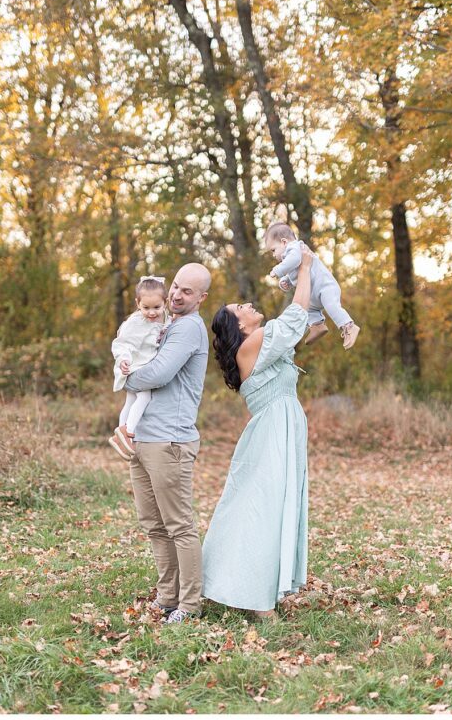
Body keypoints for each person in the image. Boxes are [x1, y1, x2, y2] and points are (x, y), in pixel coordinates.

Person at [202, 242, 315, 619]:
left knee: (271, 506)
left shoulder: (260, 344)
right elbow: (295, 318)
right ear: (239, 326)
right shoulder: (251, 345)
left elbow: (303, 333)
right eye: (242, 309)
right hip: (271, 433)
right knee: (262, 509)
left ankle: (252, 585)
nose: (249, 306)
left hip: (283, 427)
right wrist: (303, 270)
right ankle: (253, 597)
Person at [121, 263, 211, 625]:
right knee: (154, 525)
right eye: (175, 286)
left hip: (169, 441)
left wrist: (125, 379)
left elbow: (158, 373)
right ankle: (167, 595)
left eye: (187, 291)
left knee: (179, 525)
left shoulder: (189, 327)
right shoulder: (165, 322)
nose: (176, 294)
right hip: (144, 438)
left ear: (201, 298)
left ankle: (189, 604)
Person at [263, 221, 360, 349]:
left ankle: (349, 326)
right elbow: (296, 271)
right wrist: (286, 281)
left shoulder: (295, 248)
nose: (274, 255)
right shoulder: (291, 256)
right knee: (306, 309)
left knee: (331, 306)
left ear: (284, 242)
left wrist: (278, 270)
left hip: (325, 287)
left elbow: (295, 260)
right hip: (313, 294)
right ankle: (317, 326)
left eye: (273, 250)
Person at [108, 276, 169, 461]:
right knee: (144, 396)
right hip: (135, 364)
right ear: (137, 303)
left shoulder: (166, 318)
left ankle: (120, 437)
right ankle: (128, 431)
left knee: (130, 400)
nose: (151, 312)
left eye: (156, 307)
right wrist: (123, 360)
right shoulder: (134, 322)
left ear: (165, 303)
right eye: (146, 308)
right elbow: (121, 343)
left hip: (146, 363)